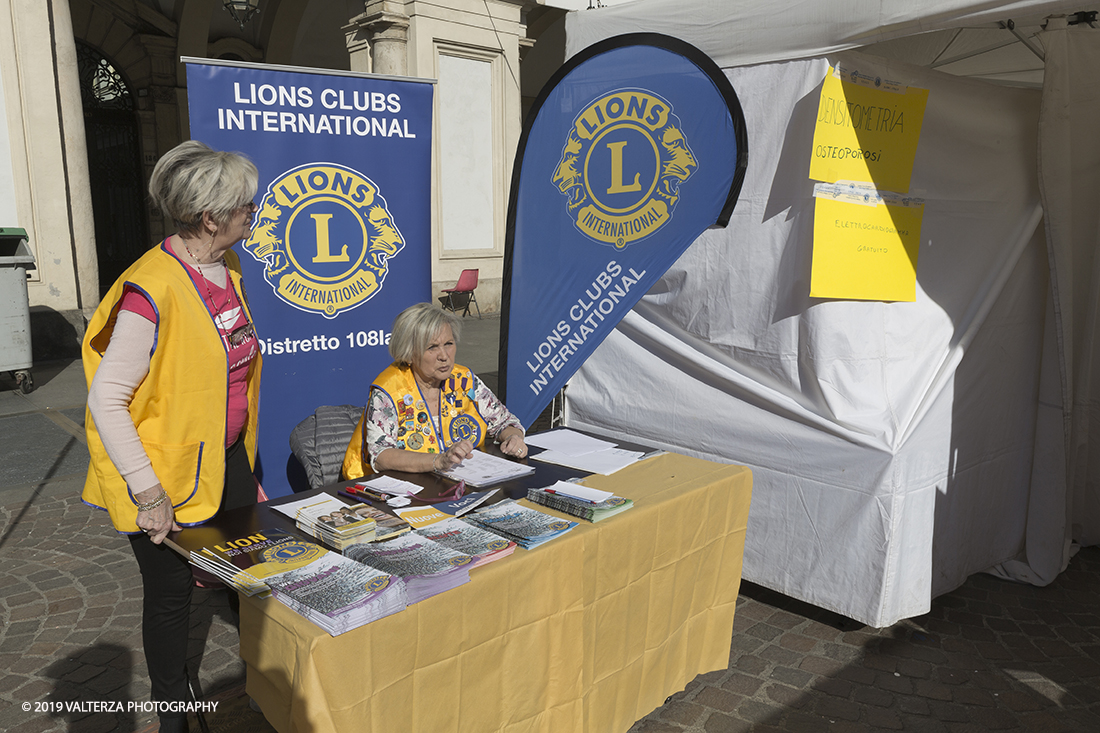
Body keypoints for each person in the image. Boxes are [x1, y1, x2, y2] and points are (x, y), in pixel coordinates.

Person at [83, 140, 261, 733]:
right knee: (170, 598)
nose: (253, 216)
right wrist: (148, 493)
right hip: (162, 475)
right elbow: (107, 400)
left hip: (224, 456)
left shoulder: (225, 266)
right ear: (211, 217)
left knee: (243, 569)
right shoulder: (149, 289)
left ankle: (262, 682)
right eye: (245, 208)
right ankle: (174, 712)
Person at [343, 303, 526, 478]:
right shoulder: (388, 391)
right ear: (408, 353)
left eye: (449, 343)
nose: (444, 356)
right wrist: (438, 461)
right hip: (401, 493)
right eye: (432, 347)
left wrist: (514, 438)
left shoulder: (465, 380)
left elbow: (505, 423)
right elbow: (381, 455)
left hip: (465, 484)